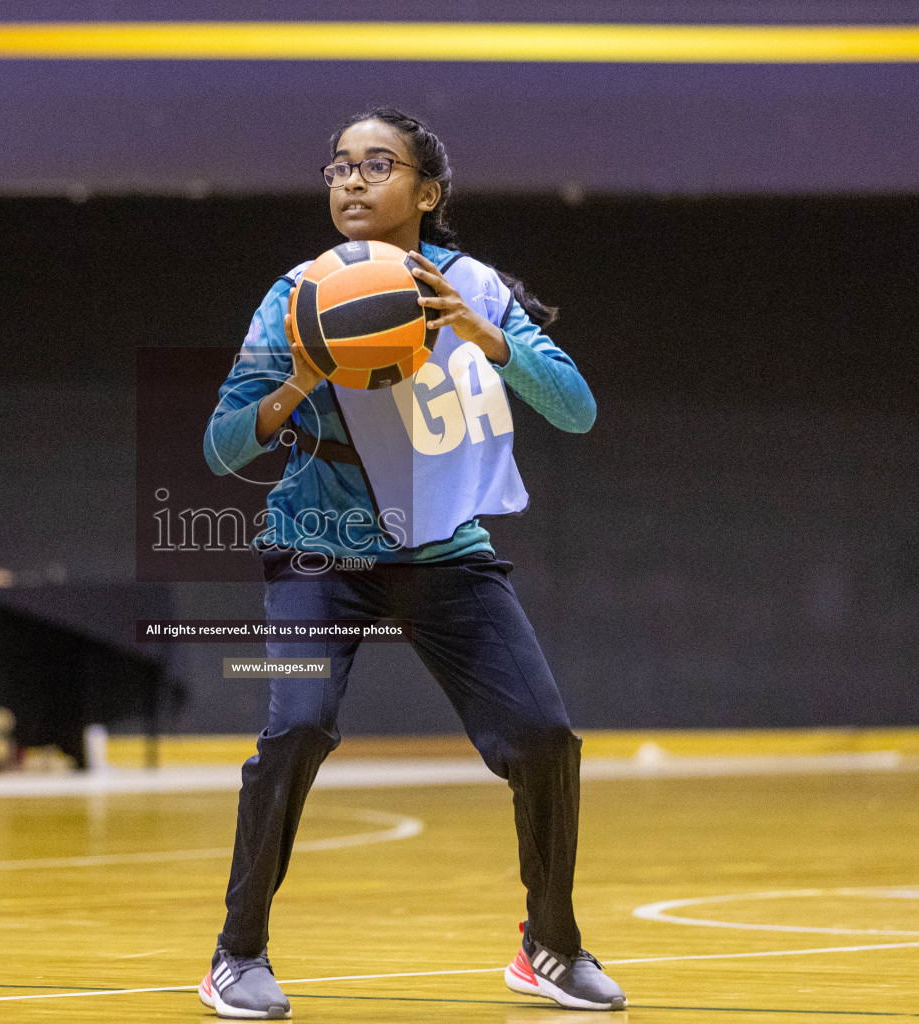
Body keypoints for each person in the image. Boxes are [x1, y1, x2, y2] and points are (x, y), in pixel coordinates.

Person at [198, 107, 626, 1017]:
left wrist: (484, 334)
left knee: (546, 739)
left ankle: (549, 945)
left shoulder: (478, 288)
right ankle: (237, 954)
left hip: (445, 549)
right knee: (300, 726)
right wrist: (299, 382)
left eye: (377, 165)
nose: (351, 181)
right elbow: (220, 448)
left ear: (426, 193)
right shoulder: (293, 298)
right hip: (323, 549)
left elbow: (579, 409)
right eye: (338, 167)